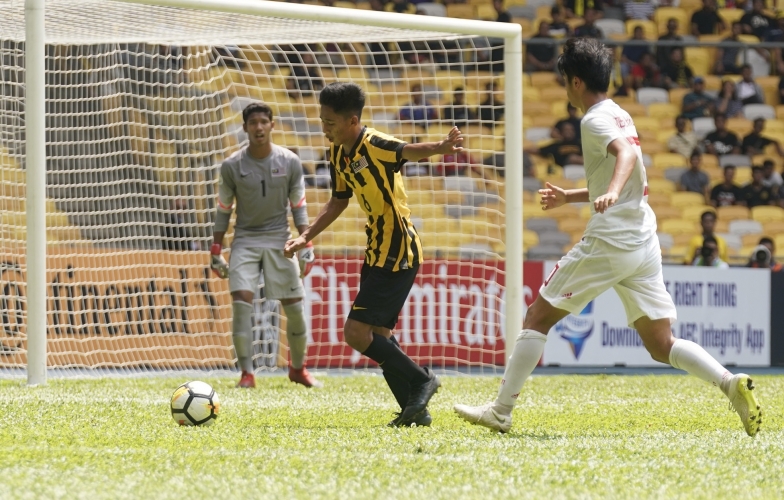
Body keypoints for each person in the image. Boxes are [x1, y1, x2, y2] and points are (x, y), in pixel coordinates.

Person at [453, 37, 761, 437]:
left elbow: (626, 159)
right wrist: (573, 195)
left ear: (576, 82)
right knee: (661, 343)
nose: (565, 89)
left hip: (611, 241)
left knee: (537, 317)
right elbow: (630, 168)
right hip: (642, 240)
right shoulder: (620, 114)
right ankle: (728, 382)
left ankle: (500, 411)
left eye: (565, 82)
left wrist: (611, 192)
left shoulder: (594, 119)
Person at [284, 82, 462, 427]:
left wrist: (441, 147)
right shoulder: (337, 153)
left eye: (330, 123)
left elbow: (407, 150)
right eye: (322, 121)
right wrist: (306, 236)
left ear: (352, 121)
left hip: (398, 247)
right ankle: (415, 410)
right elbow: (338, 200)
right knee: (378, 335)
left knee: (356, 333)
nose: (324, 129)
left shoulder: (374, 143)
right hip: (376, 247)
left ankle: (423, 380)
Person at [211, 102, 321, 390]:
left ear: (272, 125)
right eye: (253, 123)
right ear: (245, 127)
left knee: (295, 308)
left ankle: (298, 369)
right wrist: (215, 250)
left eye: (263, 122)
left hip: (280, 240)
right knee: (241, 304)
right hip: (245, 240)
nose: (258, 127)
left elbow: (299, 206)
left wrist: (305, 241)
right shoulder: (232, 165)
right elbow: (223, 209)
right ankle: (247, 374)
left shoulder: (290, 162)